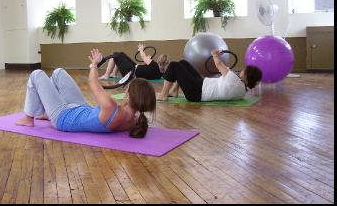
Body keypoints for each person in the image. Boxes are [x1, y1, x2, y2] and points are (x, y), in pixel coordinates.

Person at [15, 49, 156, 138]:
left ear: (129, 95)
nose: (125, 88)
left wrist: (94, 64)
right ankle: (47, 112)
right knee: (58, 73)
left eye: (128, 87)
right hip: (81, 108)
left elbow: (93, 82)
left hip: (63, 118)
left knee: (37, 74)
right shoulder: (135, 120)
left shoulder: (111, 107)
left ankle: (29, 118)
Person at [156, 49, 262, 102]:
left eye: (245, 70)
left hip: (196, 91)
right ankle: (174, 90)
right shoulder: (242, 91)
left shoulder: (235, 80)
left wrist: (214, 55)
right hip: (201, 85)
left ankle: (164, 95)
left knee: (174, 65)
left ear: (247, 77)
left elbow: (219, 64)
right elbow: (226, 78)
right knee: (183, 63)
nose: (242, 70)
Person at [97, 43, 170, 81]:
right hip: (133, 69)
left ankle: (106, 75)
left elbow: (143, 57)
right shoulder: (161, 74)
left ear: (159, 60)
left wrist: (141, 49)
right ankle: (113, 74)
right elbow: (146, 71)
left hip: (130, 71)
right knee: (121, 54)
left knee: (114, 55)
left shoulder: (154, 65)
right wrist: (148, 60)